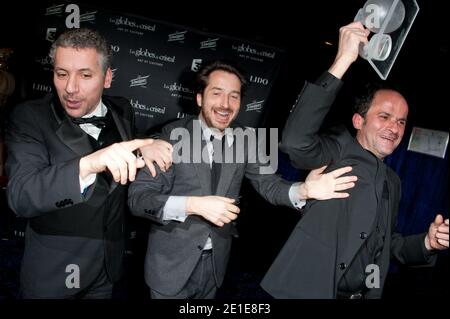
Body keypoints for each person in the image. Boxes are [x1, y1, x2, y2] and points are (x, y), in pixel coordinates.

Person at [127, 60, 358, 299]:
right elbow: (139, 200)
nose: (225, 105)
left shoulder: (248, 140)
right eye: (217, 93)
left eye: (234, 96)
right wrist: (193, 205)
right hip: (170, 266)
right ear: (199, 98)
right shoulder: (169, 137)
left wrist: (304, 191)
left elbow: (269, 184)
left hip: (215, 266)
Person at [261, 21, 449, 299]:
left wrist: (427, 243)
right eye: (384, 117)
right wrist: (343, 60)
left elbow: (389, 245)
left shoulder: (392, 182)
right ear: (358, 121)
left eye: (400, 121)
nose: (394, 127)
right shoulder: (337, 149)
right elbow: (295, 141)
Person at [5, 28, 172, 299]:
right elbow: (21, 197)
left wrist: (148, 145)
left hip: (107, 267)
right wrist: (90, 163)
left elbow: (126, 148)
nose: (71, 88)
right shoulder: (29, 117)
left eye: (85, 75)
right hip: (55, 272)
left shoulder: (122, 109)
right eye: (61, 74)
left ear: (106, 78)